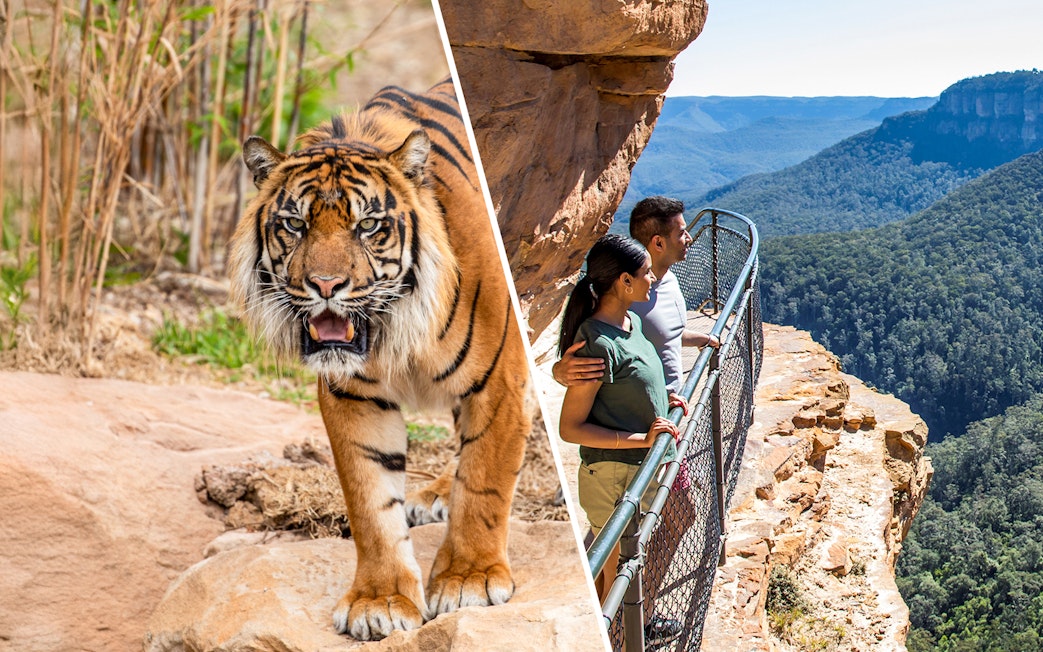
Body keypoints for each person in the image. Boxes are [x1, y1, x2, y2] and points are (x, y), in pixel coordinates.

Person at [556, 233, 685, 645]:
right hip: (612, 476)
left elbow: (636, 385)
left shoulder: (628, 323)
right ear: (625, 282)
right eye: (646, 273)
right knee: (615, 579)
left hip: (635, 471)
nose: (653, 280)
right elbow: (570, 428)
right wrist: (642, 439)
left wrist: (665, 402)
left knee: (626, 571)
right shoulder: (596, 344)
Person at [553, 196, 720, 389]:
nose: (688, 239)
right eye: (681, 233)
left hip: (669, 408)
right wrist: (559, 372)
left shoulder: (669, 281)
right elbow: (587, 352)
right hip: (639, 416)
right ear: (658, 243)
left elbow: (665, 333)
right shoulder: (623, 298)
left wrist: (703, 339)